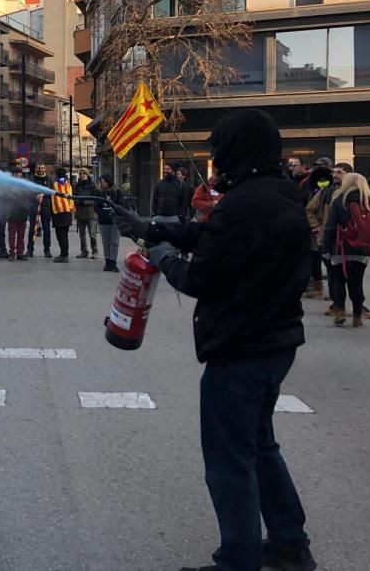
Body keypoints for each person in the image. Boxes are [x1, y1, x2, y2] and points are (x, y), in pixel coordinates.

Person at [115, 109, 316, 571]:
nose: (216, 159)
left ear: (237, 150)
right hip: (275, 342)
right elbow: (213, 235)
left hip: (240, 348)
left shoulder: (245, 204)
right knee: (260, 446)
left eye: (220, 149)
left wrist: (163, 258)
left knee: (230, 462)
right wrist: (153, 227)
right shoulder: (277, 192)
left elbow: (201, 275)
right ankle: (289, 544)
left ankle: (239, 560)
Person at [322, 172, 370, 327]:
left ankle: (340, 312)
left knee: (339, 281)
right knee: (357, 282)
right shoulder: (368, 201)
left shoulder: (340, 200)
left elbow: (331, 227)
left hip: (341, 248)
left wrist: (326, 248)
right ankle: (357, 317)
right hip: (362, 250)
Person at [301, 163, 334, 298]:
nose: (322, 183)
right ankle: (318, 287)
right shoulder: (311, 191)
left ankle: (333, 293)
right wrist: (315, 226)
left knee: (331, 263)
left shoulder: (334, 192)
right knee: (315, 260)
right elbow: (308, 209)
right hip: (316, 232)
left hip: (330, 231)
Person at [96, 173, 122, 272]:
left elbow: (120, 204)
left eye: (103, 182)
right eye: (101, 182)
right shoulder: (99, 193)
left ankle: (113, 262)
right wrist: (103, 214)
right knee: (106, 242)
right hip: (103, 221)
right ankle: (107, 261)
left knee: (114, 242)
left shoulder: (117, 192)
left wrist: (114, 213)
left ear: (108, 182)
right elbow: (96, 206)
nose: (101, 184)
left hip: (115, 221)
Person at [27, 162, 53, 258]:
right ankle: (30, 249)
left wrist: (44, 195)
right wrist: (36, 196)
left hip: (45, 206)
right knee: (32, 229)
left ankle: (47, 250)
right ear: (36, 169)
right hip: (34, 206)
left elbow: (52, 191)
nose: (41, 169)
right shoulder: (31, 178)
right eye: (39, 168)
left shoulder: (49, 179)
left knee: (46, 229)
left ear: (45, 169)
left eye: (42, 168)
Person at [50, 166, 75, 263]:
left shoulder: (55, 184)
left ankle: (64, 255)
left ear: (56, 175)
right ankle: (64, 254)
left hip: (58, 213)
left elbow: (52, 198)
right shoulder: (68, 184)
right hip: (67, 212)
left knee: (60, 235)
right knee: (65, 235)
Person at [74, 167, 99, 259]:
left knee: (92, 234)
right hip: (80, 213)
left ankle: (95, 251)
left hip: (90, 213)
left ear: (87, 174)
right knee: (82, 234)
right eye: (80, 174)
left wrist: (85, 202)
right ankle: (84, 251)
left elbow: (96, 199)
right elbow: (73, 196)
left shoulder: (93, 185)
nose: (81, 175)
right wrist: (76, 201)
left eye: (83, 173)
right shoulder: (77, 185)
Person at [6, 166, 30, 261]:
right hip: (11, 213)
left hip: (22, 212)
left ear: (21, 174)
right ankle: (12, 253)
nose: (17, 175)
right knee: (12, 235)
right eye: (16, 173)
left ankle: (20, 253)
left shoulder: (25, 184)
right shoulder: (8, 184)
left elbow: (29, 196)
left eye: (19, 173)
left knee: (21, 235)